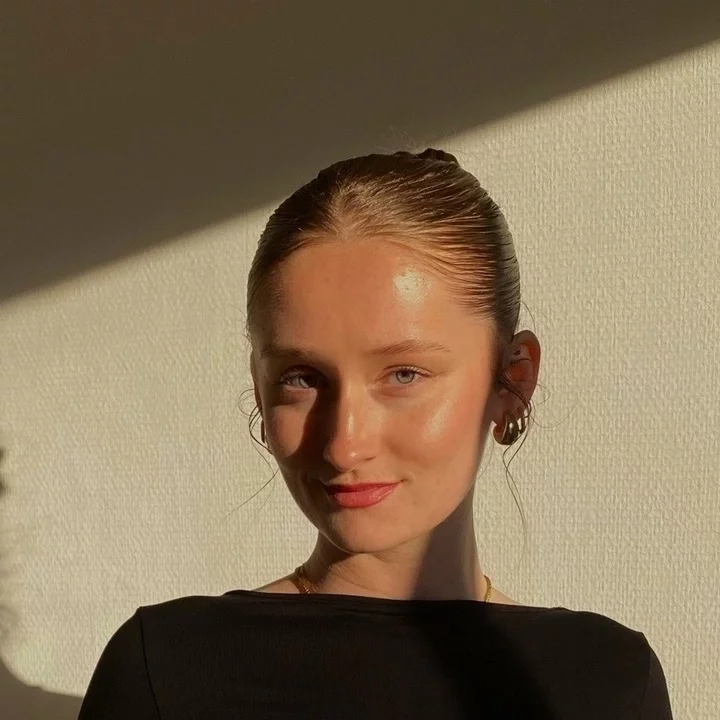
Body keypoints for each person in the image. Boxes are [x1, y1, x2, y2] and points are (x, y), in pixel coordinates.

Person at [78, 149, 673, 718]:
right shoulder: (167, 668)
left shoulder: (608, 680)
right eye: (303, 377)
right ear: (259, 387)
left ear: (513, 380)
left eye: (404, 374)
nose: (344, 444)